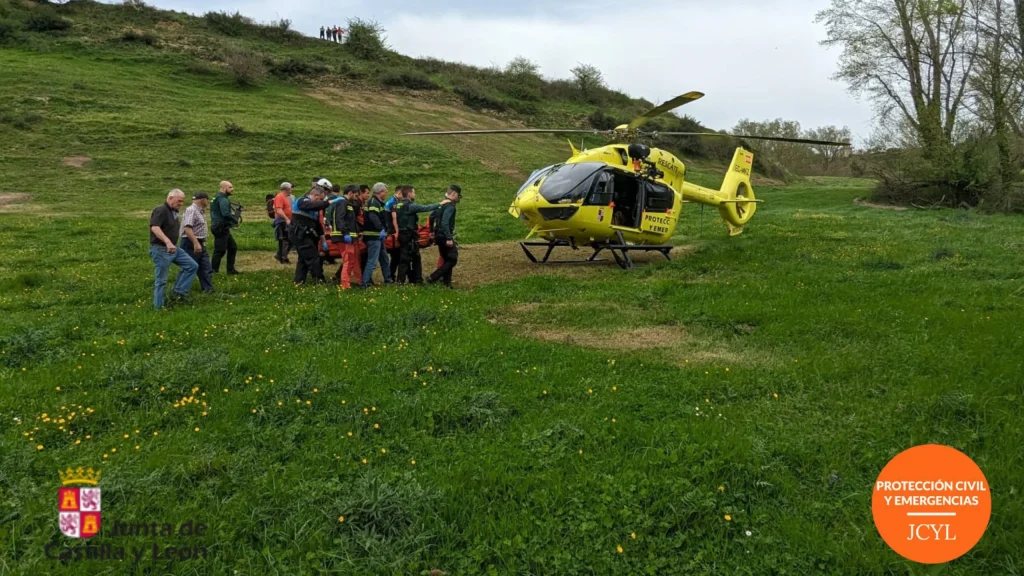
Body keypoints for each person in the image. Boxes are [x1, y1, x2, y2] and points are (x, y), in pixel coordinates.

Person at [149, 189, 198, 308]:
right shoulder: (161, 210)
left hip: (174, 248)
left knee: (192, 266)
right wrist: (167, 242)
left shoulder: (173, 212)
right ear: (170, 198)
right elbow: (155, 227)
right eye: (179, 201)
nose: (181, 203)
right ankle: (158, 308)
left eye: (182, 201)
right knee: (161, 281)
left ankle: (179, 293)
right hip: (161, 249)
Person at [395, 185, 447, 284]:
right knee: (407, 259)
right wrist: (441, 204)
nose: (415, 194)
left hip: (403, 234)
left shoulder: (398, 204)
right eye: (414, 192)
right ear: (409, 194)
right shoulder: (410, 205)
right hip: (408, 235)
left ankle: (415, 279)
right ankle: (403, 281)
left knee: (413, 257)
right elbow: (426, 208)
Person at [289, 179, 332, 285]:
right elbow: (310, 206)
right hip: (299, 234)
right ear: (315, 196)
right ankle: (319, 280)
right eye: (320, 199)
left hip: (305, 234)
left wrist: (323, 240)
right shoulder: (302, 201)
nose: (320, 202)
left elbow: (318, 226)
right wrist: (327, 203)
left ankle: (299, 281)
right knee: (313, 258)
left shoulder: (314, 210)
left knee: (303, 259)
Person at [179, 191, 214, 293]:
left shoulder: (199, 211)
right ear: (203, 200)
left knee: (205, 267)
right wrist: (195, 243)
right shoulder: (192, 210)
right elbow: (187, 228)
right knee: (189, 267)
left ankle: (208, 290)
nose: (208, 202)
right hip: (190, 242)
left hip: (199, 242)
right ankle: (180, 291)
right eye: (207, 200)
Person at [428, 185, 462, 288]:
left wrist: (431, 231)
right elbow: (445, 223)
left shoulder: (441, 203)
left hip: (438, 235)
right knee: (453, 259)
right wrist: (448, 238)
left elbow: (431, 216)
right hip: (444, 235)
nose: (458, 198)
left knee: (447, 258)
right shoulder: (450, 206)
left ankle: (447, 283)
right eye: (458, 196)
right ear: (454, 194)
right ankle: (433, 277)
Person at [360, 183, 391, 288]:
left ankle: (388, 280)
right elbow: (373, 217)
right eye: (385, 192)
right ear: (380, 192)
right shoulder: (374, 203)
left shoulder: (377, 202)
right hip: (373, 236)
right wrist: (381, 229)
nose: (386, 194)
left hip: (378, 237)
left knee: (385, 260)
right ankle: (365, 283)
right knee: (372, 262)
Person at [331, 185, 362, 289]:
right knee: (348, 260)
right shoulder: (342, 203)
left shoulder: (348, 204)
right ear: (350, 193)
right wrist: (345, 233)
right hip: (343, 237)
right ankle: (345, 284)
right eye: (356, 195)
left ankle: (355, 281)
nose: (356, 198)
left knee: (352, 260)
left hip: (349, 237)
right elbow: (340, 219)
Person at [210, 180, 239, 275]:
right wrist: (234, 220)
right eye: (230, 187)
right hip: (221, 227)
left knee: (232, 247)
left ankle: (230, 270)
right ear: (223, 188)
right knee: (219, 250)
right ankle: (213, 271)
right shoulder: (223, 199)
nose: (232, 189)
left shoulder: (216, 197)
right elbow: (225, 213)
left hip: (219, 226)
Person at [386, 185, 404, 282]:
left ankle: (390, 275)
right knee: (396, 256)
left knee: (395, 257)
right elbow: (394, 218)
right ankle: (391, 276)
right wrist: (397, 232)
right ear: (399, 193)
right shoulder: (394, 203)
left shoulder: (391, 200)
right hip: (392, 233)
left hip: (389, 231)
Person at [273, 182, 293, 264]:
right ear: (287, 189)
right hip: (282, 222)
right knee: (285, 239)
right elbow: (279, 210)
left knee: (289, 239)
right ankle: (283, 257)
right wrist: (286, 219)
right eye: (291, 188)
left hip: (286, 221)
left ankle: (280, 255)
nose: (292, 190)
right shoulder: (280, 197)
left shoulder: (285, 197)